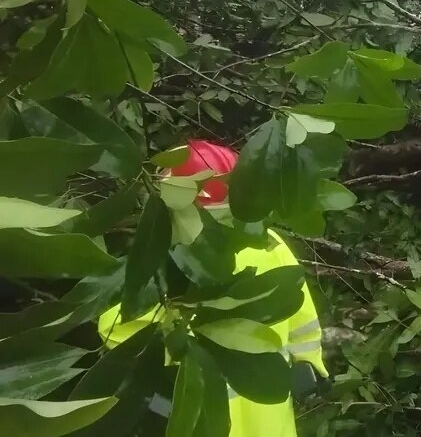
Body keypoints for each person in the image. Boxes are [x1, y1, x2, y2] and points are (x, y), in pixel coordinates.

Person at [97, 139, 327, 437]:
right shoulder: (269, 243)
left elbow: (114, 328)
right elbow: (300, 314)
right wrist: (309, 363)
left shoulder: (172, 260)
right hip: (269, 421)